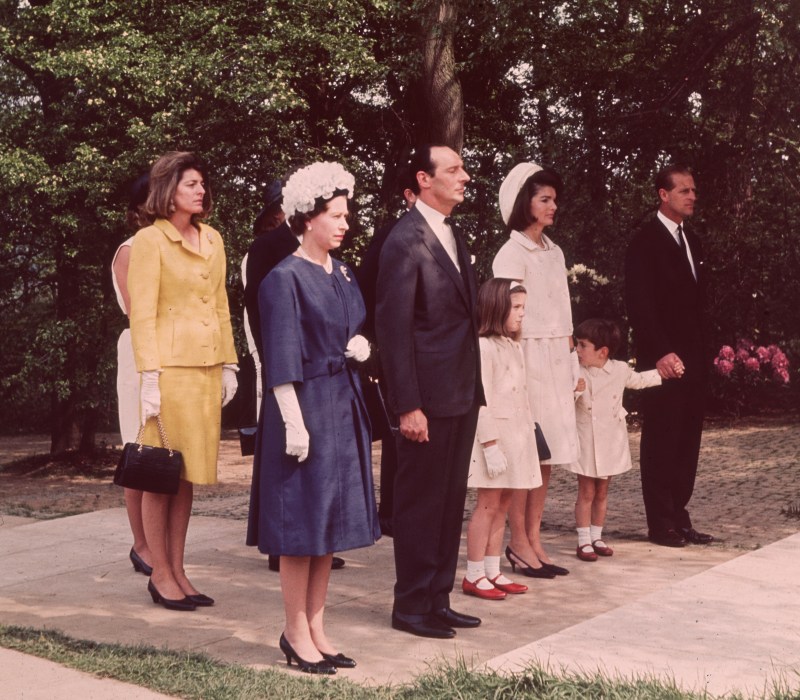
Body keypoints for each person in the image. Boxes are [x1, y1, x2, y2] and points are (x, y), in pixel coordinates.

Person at [252, 161, 380, 674]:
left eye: (346, 214)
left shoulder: (342, 270)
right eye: (335, 215)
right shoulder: (282, 279)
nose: (345, 223)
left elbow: (354, 320)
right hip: (302, 409)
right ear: (307, 218)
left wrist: (362, 343)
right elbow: (280, 360)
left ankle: (318, 628)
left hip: (341, 402)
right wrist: (294, 423)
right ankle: (293, 630)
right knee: (301, 526)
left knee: (328, 525)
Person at [376, 144, 484, 639]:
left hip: (460, 390)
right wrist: (408, 405)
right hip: (425, 398)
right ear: (423, 178)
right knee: (421, 503)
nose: (465, 176)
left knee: (448, 500)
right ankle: (411, 606)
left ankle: (438, 598)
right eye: (454, 169)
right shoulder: (404, 239)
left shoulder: (453, 232)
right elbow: (393, 328)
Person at [128, 151, 239, 611]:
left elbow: (220, 305)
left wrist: (231, 364)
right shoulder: (149, 241)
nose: (200, 190)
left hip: (207, 369)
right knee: (161, 475)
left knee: (187, 474)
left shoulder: (212, 238)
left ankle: (178, 568)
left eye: (201, 184)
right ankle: (160, 574)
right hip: (169, 372)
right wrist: (149, 376)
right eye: (190, 183)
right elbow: (144, 314)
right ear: (168, 189)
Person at [243, 178, 346, 573]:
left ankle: (315, 538)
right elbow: (258, 307)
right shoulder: (266, 249)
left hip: (320, 369)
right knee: (286, 457)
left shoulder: (321, 248)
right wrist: (269, 361)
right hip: (282, 361)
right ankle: (282, 542)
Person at [492, 162, 579, 579]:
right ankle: (517, 542)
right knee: (526, 452)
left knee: (546, 455)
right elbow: (506, 314)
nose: (552, 206)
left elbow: (564, 313)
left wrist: (573, 364)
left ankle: (534, 537)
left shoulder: (554, 251)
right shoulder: (511, 252)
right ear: (524, 203)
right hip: (525, 361)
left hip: (556, 361)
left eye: (554, 200)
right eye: (544, 199)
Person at [625, 164, 713, 548]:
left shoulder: (691, 239)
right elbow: (639, 303)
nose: (692, 196)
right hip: (661, 361)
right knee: (663, 438)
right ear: (663, 194)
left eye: (693, 190)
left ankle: (679, 516)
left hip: (694, 359)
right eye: (684, 191)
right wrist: (660, 352)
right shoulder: (644, 241)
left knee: (687, 440)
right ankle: (661, 523)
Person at [462, 279, 541, 600]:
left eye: (524, 307)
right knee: (487, 505)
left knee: (504, 503)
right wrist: (490, 444)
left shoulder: (513, 345)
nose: (522, 314)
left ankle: (492, 570)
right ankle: (474, 573)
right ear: (497, 307)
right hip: (492, 442)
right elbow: (481, 400)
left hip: (516, 438)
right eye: (516, 307)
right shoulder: (483, 347)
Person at [568, 318, 669, 561]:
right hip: (586, 440)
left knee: (602, 491)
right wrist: (575, 391)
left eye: (583, 346)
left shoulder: (619, 369)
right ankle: (583, 540)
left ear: (602, 352)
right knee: (586, 492)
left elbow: (640, 380)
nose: (577, 350)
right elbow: (564, 404)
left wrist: (665, 372)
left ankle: (597, 535)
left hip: (610, 439)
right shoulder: (575, 371)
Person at [355, 165, 417, 537]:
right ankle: (390, 510)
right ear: (409, 195)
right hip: (391, 348)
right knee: (397, 433)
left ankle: (409, 508)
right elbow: (367, 290)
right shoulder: (389, 235)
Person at [111, 173, 153, 576]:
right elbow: (140, 310)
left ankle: (157, 543)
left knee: (163, 449)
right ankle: (141, 544)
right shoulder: (131, 250)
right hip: (141, 352)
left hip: (170, 353)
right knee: (138, 446)